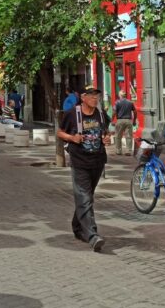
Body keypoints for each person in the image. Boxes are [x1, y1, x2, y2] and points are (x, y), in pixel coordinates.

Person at [57, 85, 112, 252]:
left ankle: (78, 228)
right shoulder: (73, 114)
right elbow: (60, 132)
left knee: (86, 198)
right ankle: (93, 236)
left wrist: (107, 138)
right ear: (83, 97)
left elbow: (107, 132)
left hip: (97, 161)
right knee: (84, 197)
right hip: (79, 161)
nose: (95, 98)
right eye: (91, 95)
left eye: (97, 95)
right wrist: (72, 138)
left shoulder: (101, 114)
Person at [112, 90, 137, 156]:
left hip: (120, 120)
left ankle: (118, 150)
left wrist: (112, 120)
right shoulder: (130, 102)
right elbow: (135, 111)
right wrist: (134, 120)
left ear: (120, 95)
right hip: (128, 120)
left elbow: (114, 112)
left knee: (118, 136)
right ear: (125, 95)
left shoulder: (117, 102)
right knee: (129, 136)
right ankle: (128, 151)